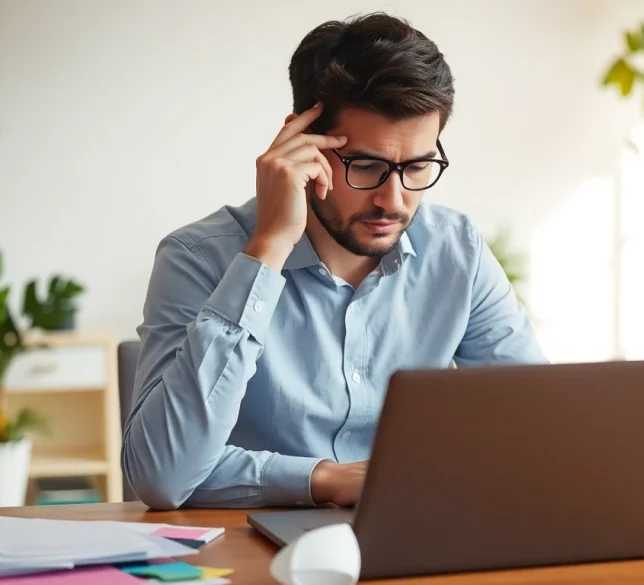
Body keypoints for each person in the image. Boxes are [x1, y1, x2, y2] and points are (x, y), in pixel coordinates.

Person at [122, 12, 547, 511]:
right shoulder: (197, 258)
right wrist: (270, 246)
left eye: (417, 167)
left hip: (413, 536)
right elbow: (162, 475)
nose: (395, 200)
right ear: (301, 145)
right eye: (366, 165)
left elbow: (534, 430)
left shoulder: (457, 250)